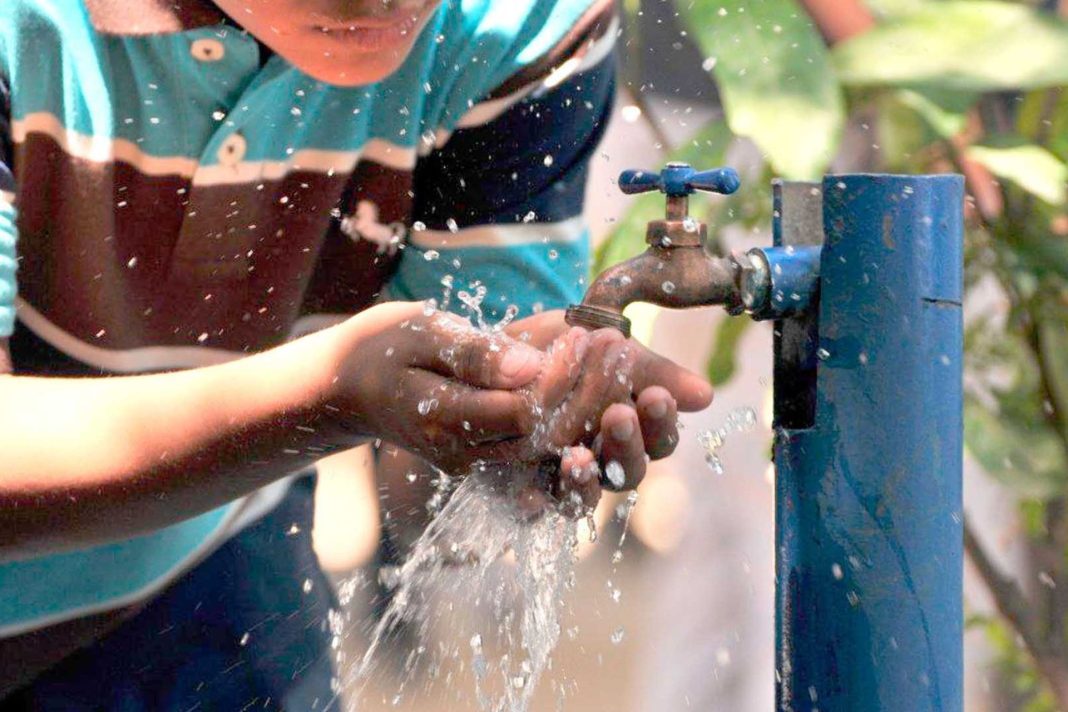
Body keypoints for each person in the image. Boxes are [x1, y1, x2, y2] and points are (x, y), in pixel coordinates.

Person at [0, 0, 714, 708]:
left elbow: (469, 391)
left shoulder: (512, 22)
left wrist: (524, 408)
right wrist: (328, 397)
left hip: (211, 549)